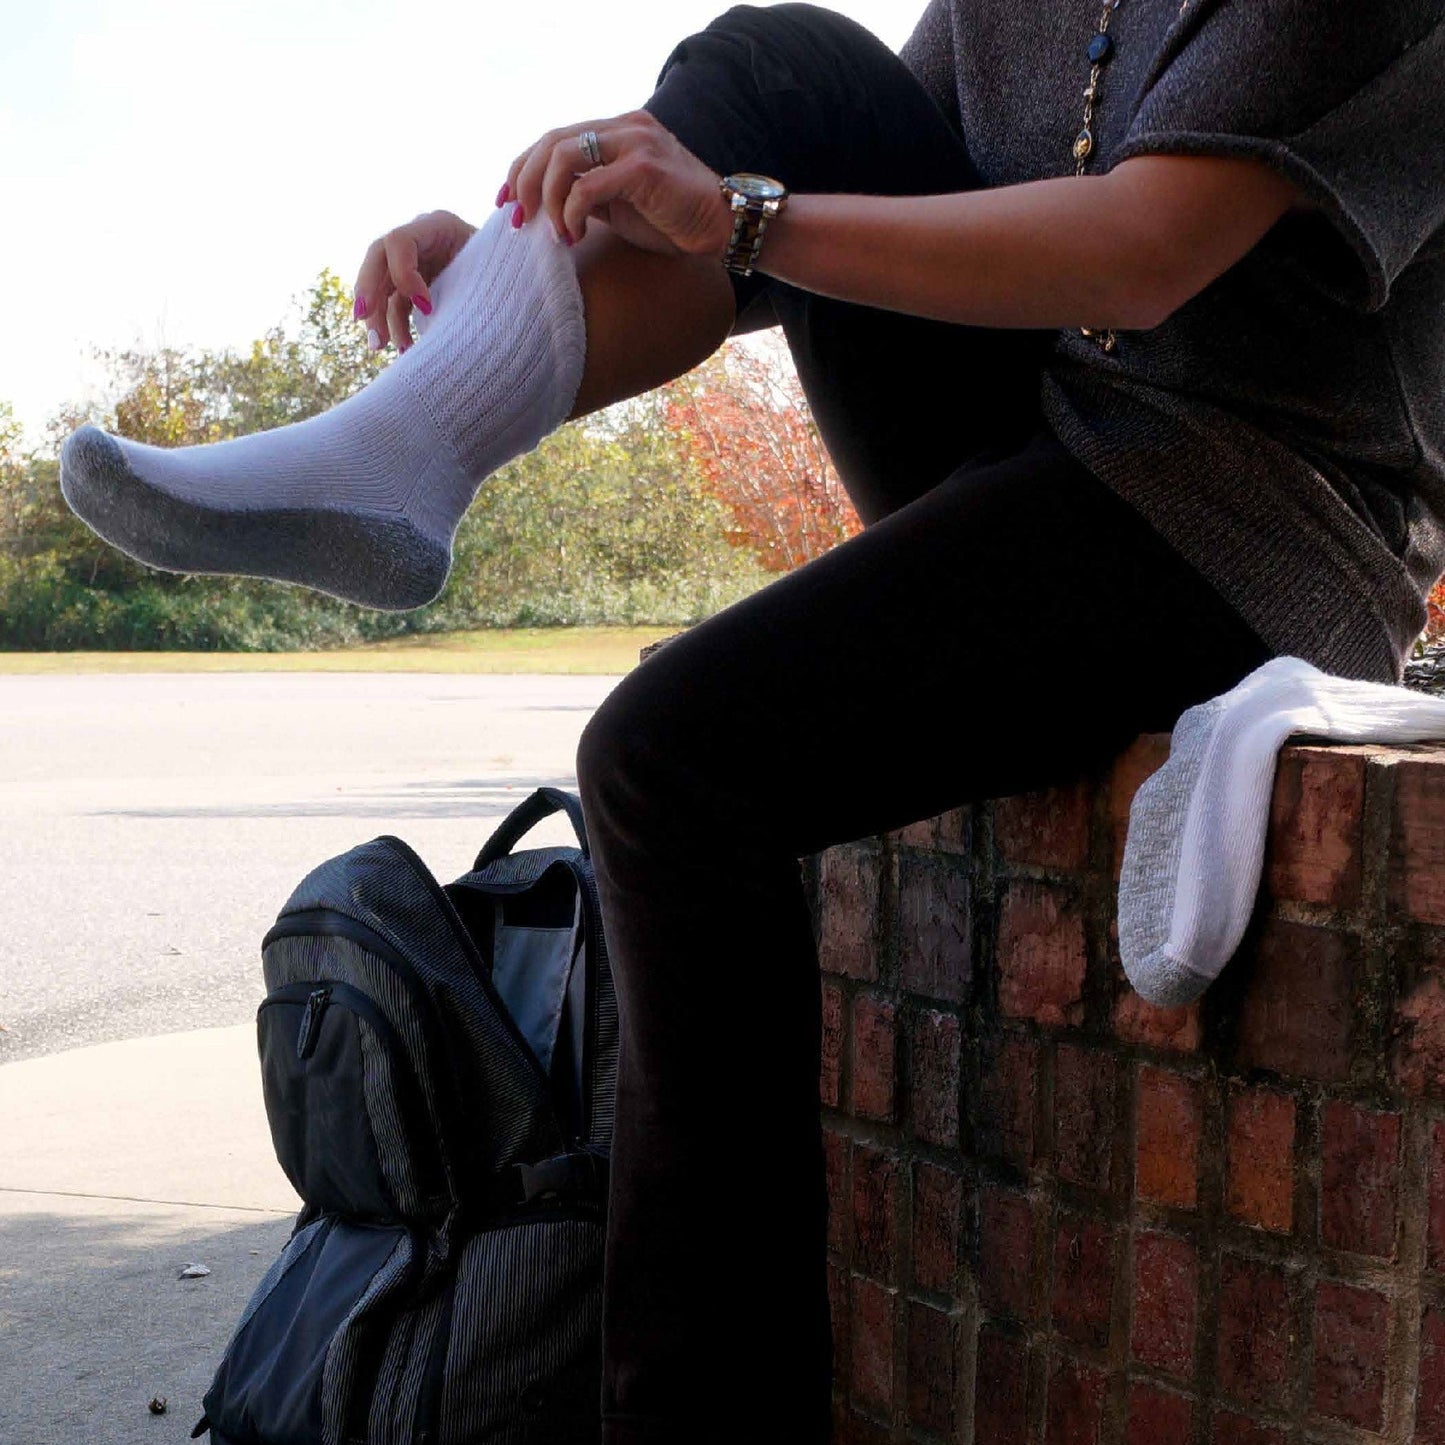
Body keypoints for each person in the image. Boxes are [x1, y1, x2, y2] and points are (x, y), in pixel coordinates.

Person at [58, 2, 1445, 1439]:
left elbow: (1140, 250)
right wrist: (528, 271)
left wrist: (734, 216)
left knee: (670, 759)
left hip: (1246, 520)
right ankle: (431, 416)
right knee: (778, 66)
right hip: (1029, 437)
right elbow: (802, 209)